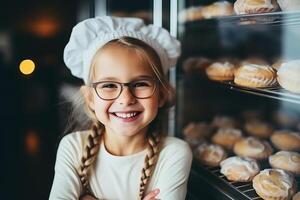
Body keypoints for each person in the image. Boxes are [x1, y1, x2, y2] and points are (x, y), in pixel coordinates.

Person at [49, 16, 193, 200]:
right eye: (109, 85)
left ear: (162, 94)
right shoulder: (73, 147)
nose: (125, 99)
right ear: (90, 98)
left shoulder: (174, 153)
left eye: (140, 84)